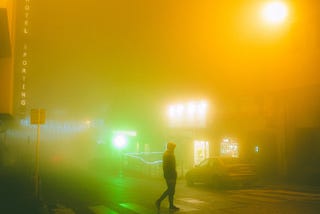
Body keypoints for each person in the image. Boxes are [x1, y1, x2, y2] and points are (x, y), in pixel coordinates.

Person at [155, 142, 180, 211]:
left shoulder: (168, 154)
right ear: (170, 147)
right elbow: (169, 166)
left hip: (169, 174)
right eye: (173, 147)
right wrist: (173, 174)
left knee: (171, 190)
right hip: (170, 175)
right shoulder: (168, 154)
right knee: (170, 189)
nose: (174, 149)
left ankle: (171, 205)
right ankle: (159, 201)